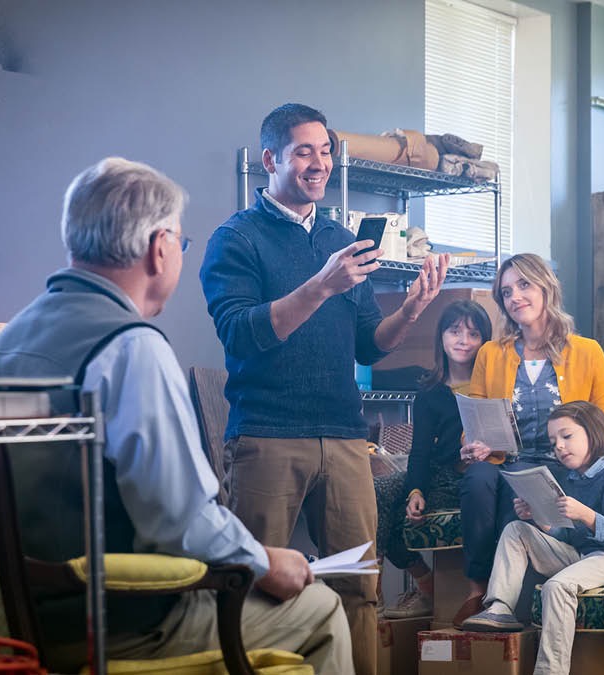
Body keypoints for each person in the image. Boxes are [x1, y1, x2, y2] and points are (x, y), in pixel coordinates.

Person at [0, 157, 352, 673]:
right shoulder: (129, 347)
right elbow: (181, 520)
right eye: (180, 242)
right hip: (113, 624)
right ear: (159, 248)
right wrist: (265, 561)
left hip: (7, 623)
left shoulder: (4, 344)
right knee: (320, 606)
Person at [198, 103, 448, 675]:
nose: (319, 163)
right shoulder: (236, 239)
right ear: (271, 160)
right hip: (267, 435)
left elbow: (369, 344)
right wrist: (320, 285)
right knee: (255, 587)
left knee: (360, 587)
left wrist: (411, 310)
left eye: (326, 151)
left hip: (343, 437)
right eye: (304, 151)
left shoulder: (341, 239)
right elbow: (242, 333)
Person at [454, 253, 604, 627]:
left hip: (566, 464)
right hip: (508, 460)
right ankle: (482, 592)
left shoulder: (587, 351)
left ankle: (512, 609)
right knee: (480, 479)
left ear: (546, 288)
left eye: (524, 285)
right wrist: (474, 443)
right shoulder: (491, 354)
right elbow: (475, 419)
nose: (515, 297)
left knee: (523, 498)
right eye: (506, 292)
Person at [460, 401, 604, 675]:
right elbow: (570, 536)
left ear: (593, 433)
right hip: (587, 556)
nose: (559, 447)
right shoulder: (572, 479)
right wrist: (539, 520)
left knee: (557, 586)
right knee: (516, 529)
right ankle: (500, 607)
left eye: (567, 436)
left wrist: (586, 515)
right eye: (554, 442)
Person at [376, 300, 493, 619]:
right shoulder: (429, 391)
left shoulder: (493, 384)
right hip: (434, 472)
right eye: (454, 331)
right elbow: (420, 451)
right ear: (441, 336)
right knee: (377, 493)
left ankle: (428, 591)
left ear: (485, 340)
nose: (463, 340)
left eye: (473, 334)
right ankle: (382, 591)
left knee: (397, 519)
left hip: (471, 478)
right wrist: (415, 491)